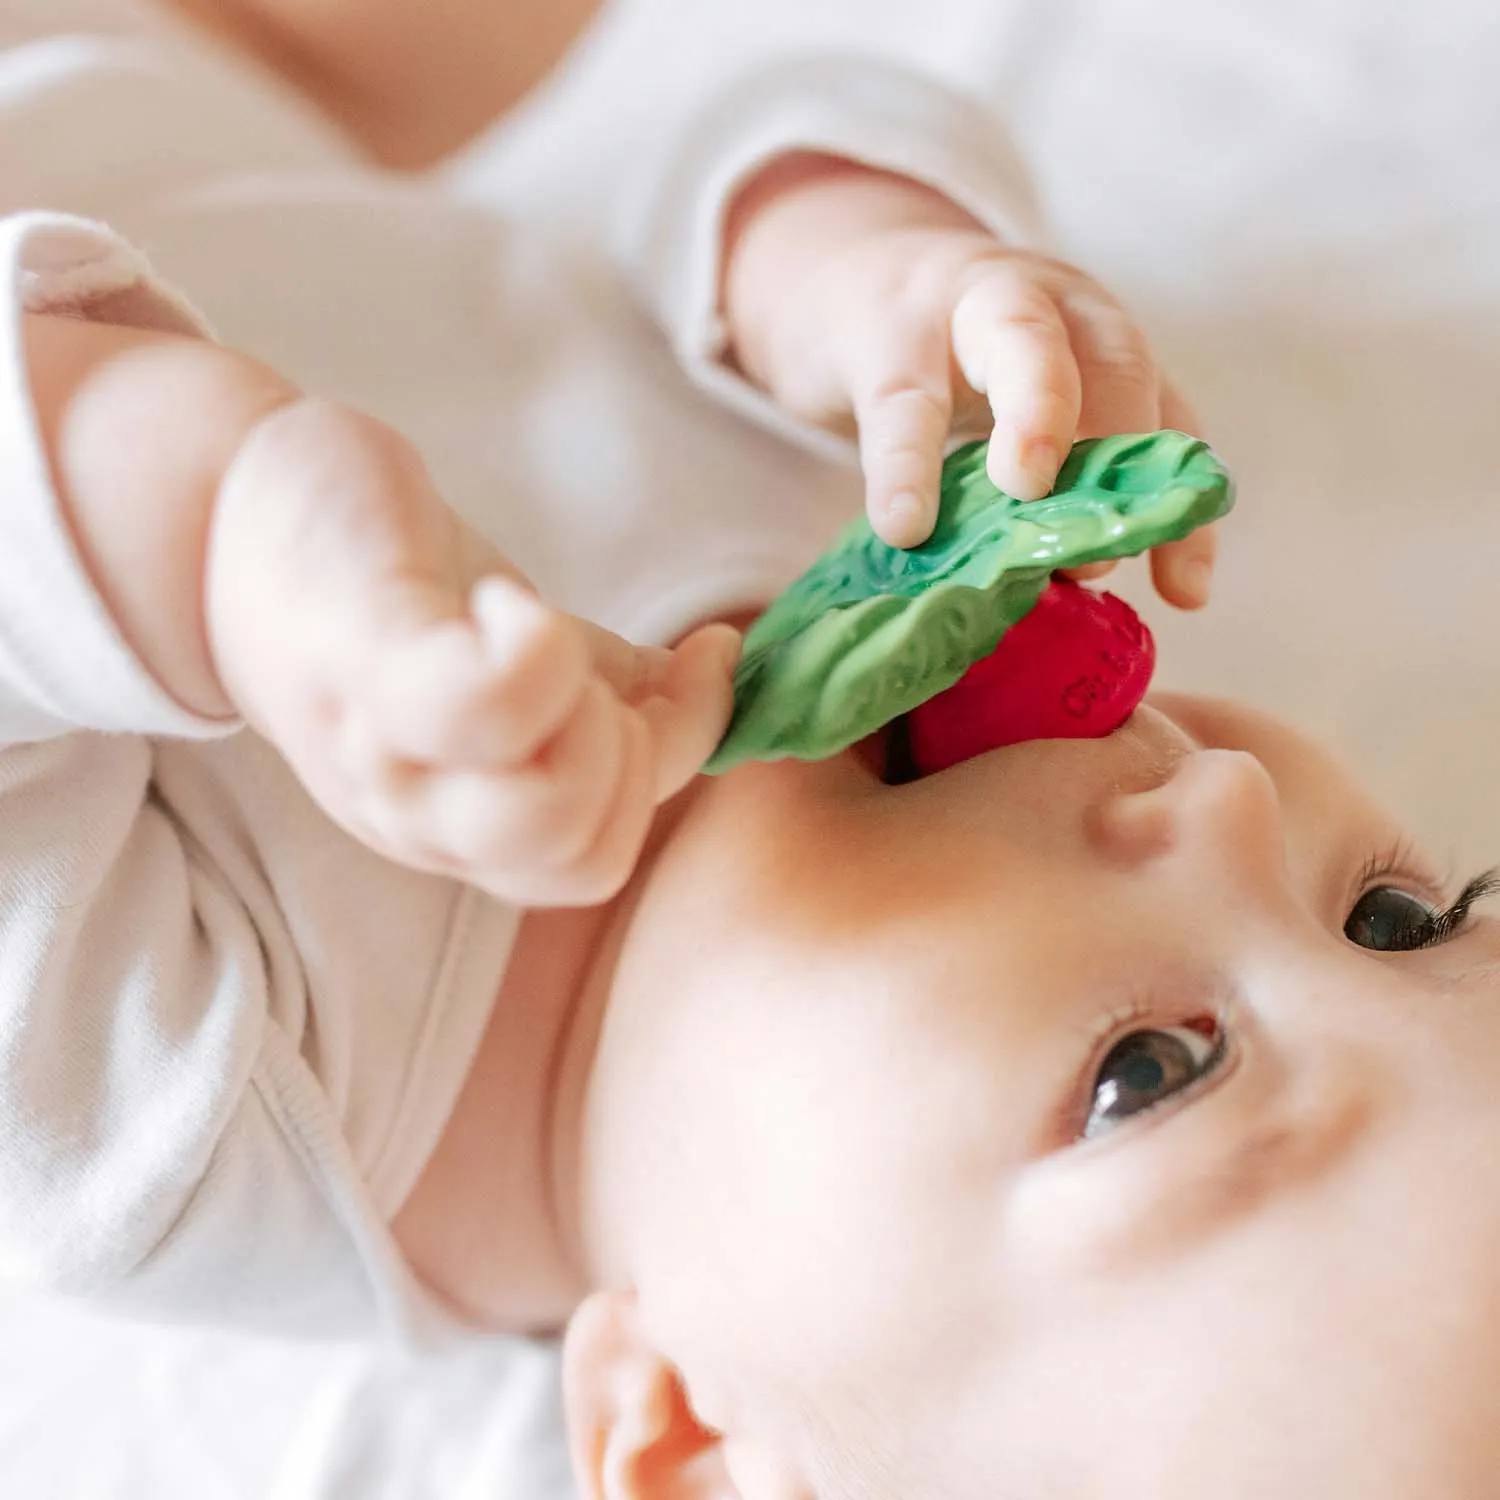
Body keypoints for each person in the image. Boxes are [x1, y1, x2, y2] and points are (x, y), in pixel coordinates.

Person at [11, 5, 1500, 1500]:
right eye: (1397, 920)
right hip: (212, 82)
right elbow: (692, 170)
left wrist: (224, 547)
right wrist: (862, 259)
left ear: (698, 1453)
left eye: (1148, 1074)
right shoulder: (908, 562)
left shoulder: (209, 1113)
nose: (1235, 799)